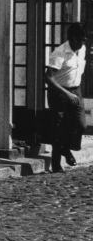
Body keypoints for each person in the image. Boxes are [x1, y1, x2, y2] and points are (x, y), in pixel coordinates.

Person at [45, 22, 87, 173]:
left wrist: (74, 92)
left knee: (80, 124)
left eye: (84, 40)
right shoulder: (60, 52)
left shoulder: (82, 50)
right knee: (59, 128)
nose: (83, 43)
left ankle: (66, 148)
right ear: (73, 39)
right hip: (59, 92)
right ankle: (56, 165)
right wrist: (66, 93)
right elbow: (48, 77)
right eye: (81, 40)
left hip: (76, 89)